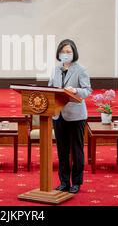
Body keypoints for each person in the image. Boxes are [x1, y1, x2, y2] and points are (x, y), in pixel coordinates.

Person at [48, 39, 92, 194]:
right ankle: (64, 182)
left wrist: (75, 91)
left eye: (68, 51)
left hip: (76, 115)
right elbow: (50, 88)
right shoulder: (56, 69)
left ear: (74, 53)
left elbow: (87, 91)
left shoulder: (81, 70)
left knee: (76, 149)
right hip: (58, 115)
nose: (65, 54)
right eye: (63, 51)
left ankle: (77, 182)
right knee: (62, 150)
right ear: (59, 54)